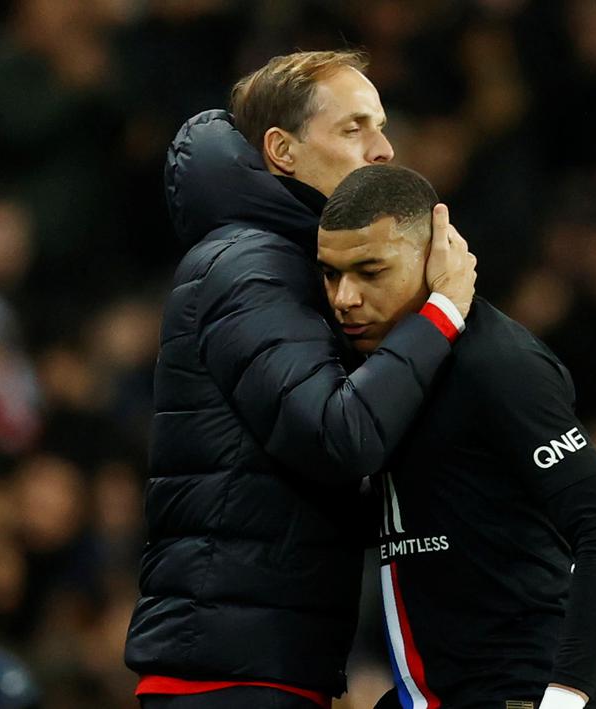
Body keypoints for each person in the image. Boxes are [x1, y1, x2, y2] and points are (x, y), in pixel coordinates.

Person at [125, 50, 477, 708]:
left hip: (259, 661)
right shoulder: (253, 264)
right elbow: (339, 435)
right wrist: (442, 312)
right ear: (282, 150)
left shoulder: (287, 259)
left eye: (380, 124)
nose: (382, 148)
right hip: (232, 677)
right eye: (353, 129)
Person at [317, 164, 596, 709]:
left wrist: (563, 700)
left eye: (370, 271)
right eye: (330, 274)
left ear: (434, 256)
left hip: (518, 692)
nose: (345, 297)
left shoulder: (497, 364)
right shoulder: (372, 372)